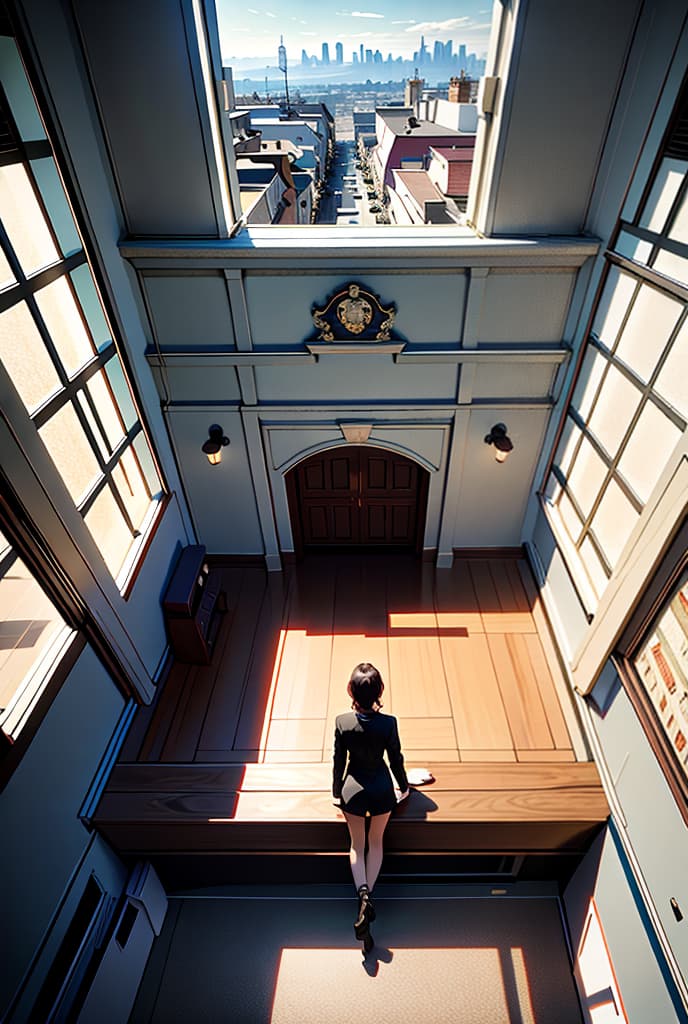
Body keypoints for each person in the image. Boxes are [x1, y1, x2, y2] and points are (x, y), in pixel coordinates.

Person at [332, 662, 409, 952]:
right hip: (380, 791)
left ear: (350, 690)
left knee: (356, 845)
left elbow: (338, 761)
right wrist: (404, 786)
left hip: (353, 791)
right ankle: (368, 899)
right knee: (376, 843)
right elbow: (395, 759)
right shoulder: (389, 723)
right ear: (380, 692)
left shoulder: (342, 722)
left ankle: (362, 894)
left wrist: (337, 792)